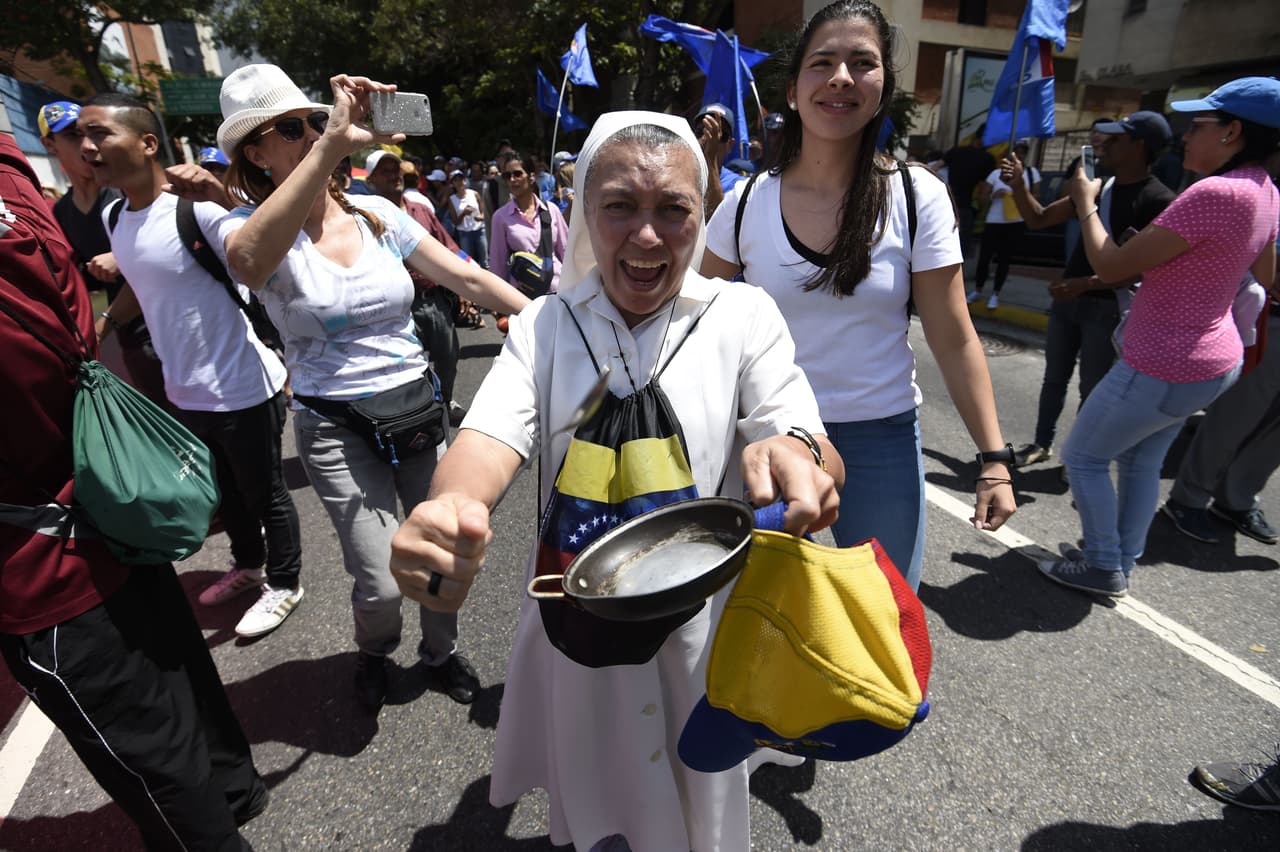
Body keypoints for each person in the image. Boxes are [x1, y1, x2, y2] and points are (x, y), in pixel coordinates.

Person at [389, 109, 842, 852]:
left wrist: (802, 457)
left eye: (674, 210)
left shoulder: (743, 314)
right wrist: (451, 506)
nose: (647, 236)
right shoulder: (546, 324)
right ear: (584, 210)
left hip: (705, 636)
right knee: (596, 801)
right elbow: (489, 434)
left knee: (704, 808)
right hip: (580, 631)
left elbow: (796, 426)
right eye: (620, 207)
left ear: (705, 215)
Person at [213, 64, 530, 711]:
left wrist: (555, 321)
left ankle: (440, 654)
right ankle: (375, 652)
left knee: (447, 549)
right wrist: (330, 141)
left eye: (312, 120)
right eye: (291, 128)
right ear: (255, 150)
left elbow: (466, 277)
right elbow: (248, 262)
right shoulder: (242, 228)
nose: (310, 132)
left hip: (414, 409)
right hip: (334, 424)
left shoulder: (378, 214)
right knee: (381, 581)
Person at [0, 129, 268, 851]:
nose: (84, 145)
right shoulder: (12, 179)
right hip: (110, 490)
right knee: (178, 671)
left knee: (148, 750)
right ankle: (237, 791)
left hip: (37, 557)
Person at [700, 0, 1016, 591]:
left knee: (885, 620)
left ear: (882, 89)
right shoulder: (745, 204)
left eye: (861, 63)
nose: (841, 78)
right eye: (822, 63)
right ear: (793, 91)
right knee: (758, 618)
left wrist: (995, 458)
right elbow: (695, 324)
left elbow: (952, 335)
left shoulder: (918, 196)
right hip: (771, 437)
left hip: (882, 438)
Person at [1037, 76, 1280, 597]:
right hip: (1213, 361)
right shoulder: (1265, 191)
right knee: (1140, 460)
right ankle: (1120, 557)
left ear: (1233, 131)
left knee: (1082, 457)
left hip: (1163, 361)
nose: (1186, 134)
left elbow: (1111, 264)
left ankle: (1103, 565)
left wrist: (1084, 202)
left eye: (1200, 125)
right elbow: (1265, 273)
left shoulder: (1214, 193)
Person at [82, 93, 305, 638]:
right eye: (81, 137)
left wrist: (223, 195)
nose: (88, 148)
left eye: (100, 134)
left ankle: (285, 581)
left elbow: (261, 255)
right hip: (184, 390)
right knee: (225, 495)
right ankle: (249, 567)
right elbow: (141, 282)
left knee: (264, 492)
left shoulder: (198, 211)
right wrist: (103, 327)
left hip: (243, 384)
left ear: (148, 143)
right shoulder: (115, 216)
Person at [1001, 112, 1176, 470]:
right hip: (1069, 302)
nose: (1104, 145)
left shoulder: (1159, 200)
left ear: (1139, 146)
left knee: (1093, 390)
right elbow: (1037, 218)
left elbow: (1143, 269)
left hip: (1107, 309)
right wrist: (1019, 184)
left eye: (1115, 139)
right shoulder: (1099, 187)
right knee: (1054, 380)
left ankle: (1077, 460)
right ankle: (1041, 444)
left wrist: (1084, 284)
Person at [38, 100, 170, 412]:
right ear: (49, 145)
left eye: (95, 134)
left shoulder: (126, 194)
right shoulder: (61, 213)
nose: (88, 146)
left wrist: (122, 256)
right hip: (133, 339)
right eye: (73, 135)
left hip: (171, 325)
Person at [364, 148, 472, 424]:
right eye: (385, 171)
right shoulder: (363, 217)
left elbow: (449, 247)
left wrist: (463, 285)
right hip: (394, 306)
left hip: (432, 299)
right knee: (407, 367)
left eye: (396, 169)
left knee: (448, 355)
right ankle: (420, 412)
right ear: (370, 181)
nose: (394, 175)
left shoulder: (420, 210)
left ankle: (445, 401)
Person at [968, 139, 1040, 309]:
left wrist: (1020, 194)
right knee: (985, 258)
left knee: (1004, 259)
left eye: (1023, 152)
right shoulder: (995, 174)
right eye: (1017, 151)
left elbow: (1036, 197)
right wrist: (994, 194)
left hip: (1015, 221)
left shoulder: (1031, 173)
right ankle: (978, 290)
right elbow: (982, 198)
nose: (1020, 155)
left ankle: (995, 294)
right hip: (995, 220)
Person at [488, 151, 568, 293]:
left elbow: (567, 252)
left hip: (559, 291)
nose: (512, 179)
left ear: (532, 177)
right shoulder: (501, 217)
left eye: (517, 174)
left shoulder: (551, 210)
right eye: (507, 176)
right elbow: (498, 264)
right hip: (523, 297)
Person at [942, 123, 997, 262]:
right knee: (958, 250)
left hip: (945, 204)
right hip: (965, 209)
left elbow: (934, 168)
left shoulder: (956, 151)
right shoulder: (987, 159)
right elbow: (984, 192)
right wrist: (980, 211)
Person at [693, 101, 742, 218]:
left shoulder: (738, 186)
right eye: (701, 132)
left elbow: (718, 219)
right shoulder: (676, 174)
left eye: (721, 136)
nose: (710, 139)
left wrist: (710, 157)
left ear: (730, 145)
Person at [447, 168, 489, 269]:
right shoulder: (452, 199)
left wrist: (482, 216)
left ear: (465, 180)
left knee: (485, 261)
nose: (459, 182)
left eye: (461, 179)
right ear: (453, 183)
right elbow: (455, 222)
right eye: (456, 180)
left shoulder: (474, 193)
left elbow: (482, 206)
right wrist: (464, 213)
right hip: (464, 233)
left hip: (479, 230)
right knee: (468, 262)